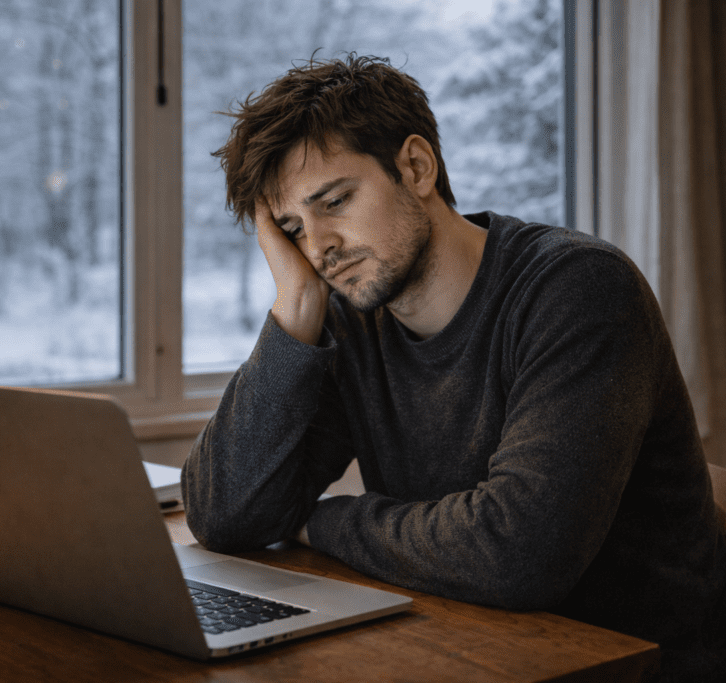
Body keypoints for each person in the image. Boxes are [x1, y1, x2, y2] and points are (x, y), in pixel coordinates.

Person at [181, 54, 726, 681]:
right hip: (468, 646)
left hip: (627, 662)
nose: (319, 247)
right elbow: (223, 515)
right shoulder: (352, 315)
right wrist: (295, 306)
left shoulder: (579, 290)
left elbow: (519, 555)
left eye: (334, 201)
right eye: (292, 229)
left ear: (415, 166)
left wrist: (319, 520)